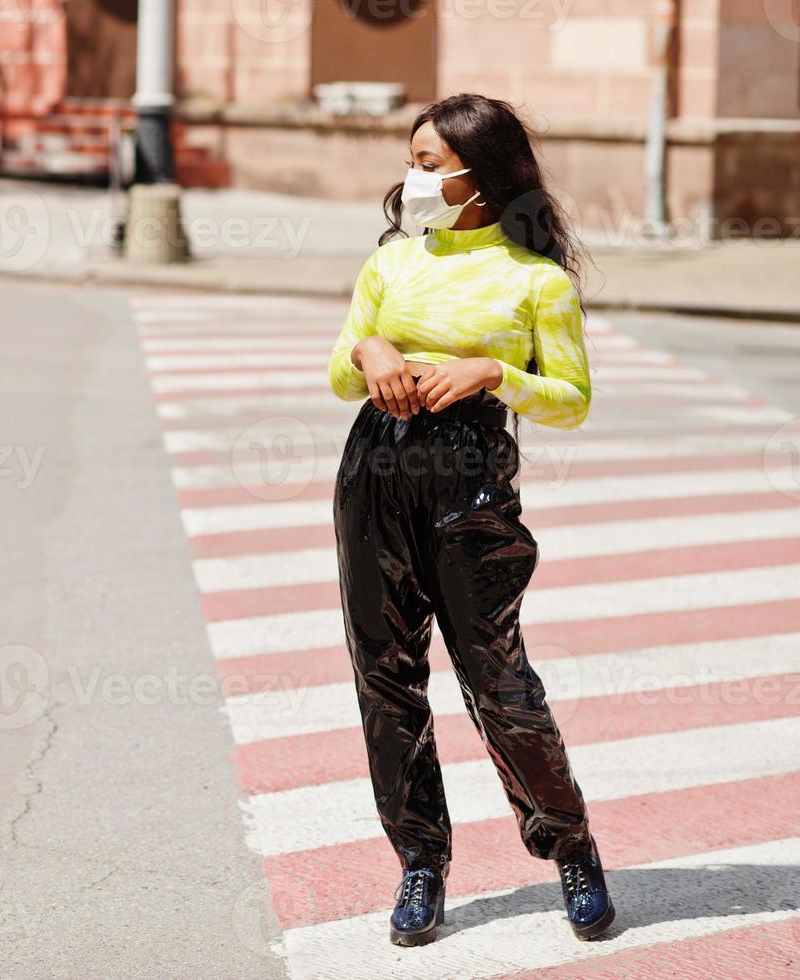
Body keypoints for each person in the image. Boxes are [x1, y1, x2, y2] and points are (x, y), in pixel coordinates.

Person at [326, 92, 614, 947]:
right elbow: (343, 373)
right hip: (374, 470)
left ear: (477, 175)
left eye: (427, 163)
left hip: (470, 482)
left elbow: (571, 401)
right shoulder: (389, 264)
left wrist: (495, 372)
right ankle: (419, 862)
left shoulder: (537, 281)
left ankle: (569, 843)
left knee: (497, 677)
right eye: (410, 161)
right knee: (384, 675)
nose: (412, 178)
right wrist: (369, 351)